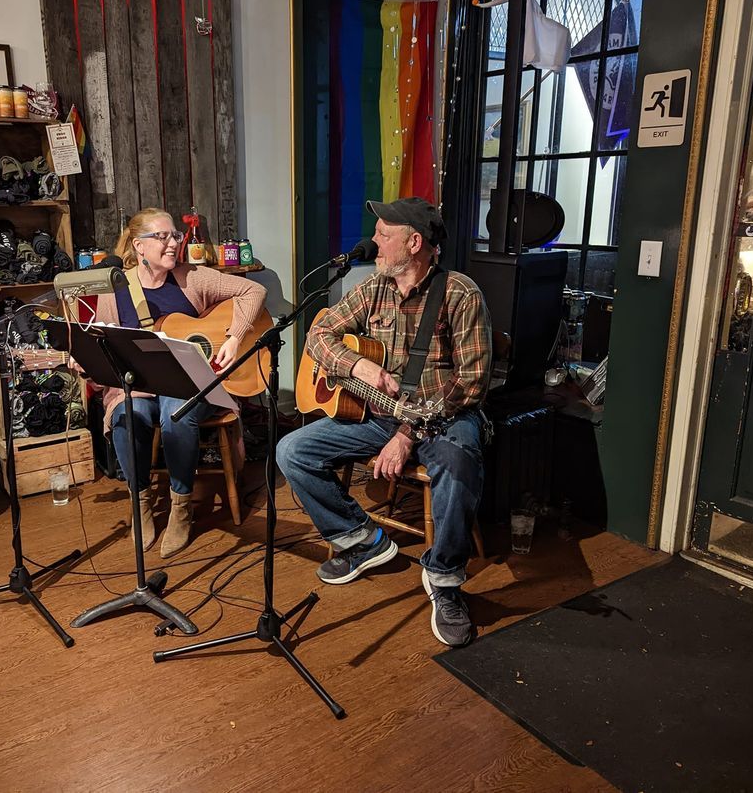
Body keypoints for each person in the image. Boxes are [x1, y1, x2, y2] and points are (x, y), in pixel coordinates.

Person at [276, 197, 492, 647]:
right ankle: (361, 540)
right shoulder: (373, 286)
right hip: (378, 414)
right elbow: (319, 335)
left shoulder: (459, 293)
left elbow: (471, 383)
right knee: (291, 450)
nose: (373, 241)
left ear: (414, 243)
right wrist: (359, 367)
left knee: (458, 462)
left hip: (439, 417)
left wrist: (405, 437)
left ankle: (445, 578)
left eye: (383, 234)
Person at [94, 208, 266, 557]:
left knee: (176, 410)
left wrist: (233, 337)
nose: (174, 243)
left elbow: (253, 291)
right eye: (164, 237)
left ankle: (181, 506)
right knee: (129, 414)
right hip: (138, 384)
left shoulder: (193, 278)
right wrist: (85, 363)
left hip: (191, 383)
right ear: (139, 246)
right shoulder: (114, 290)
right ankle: (140, 504)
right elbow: (103, 347)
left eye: (175, 235)